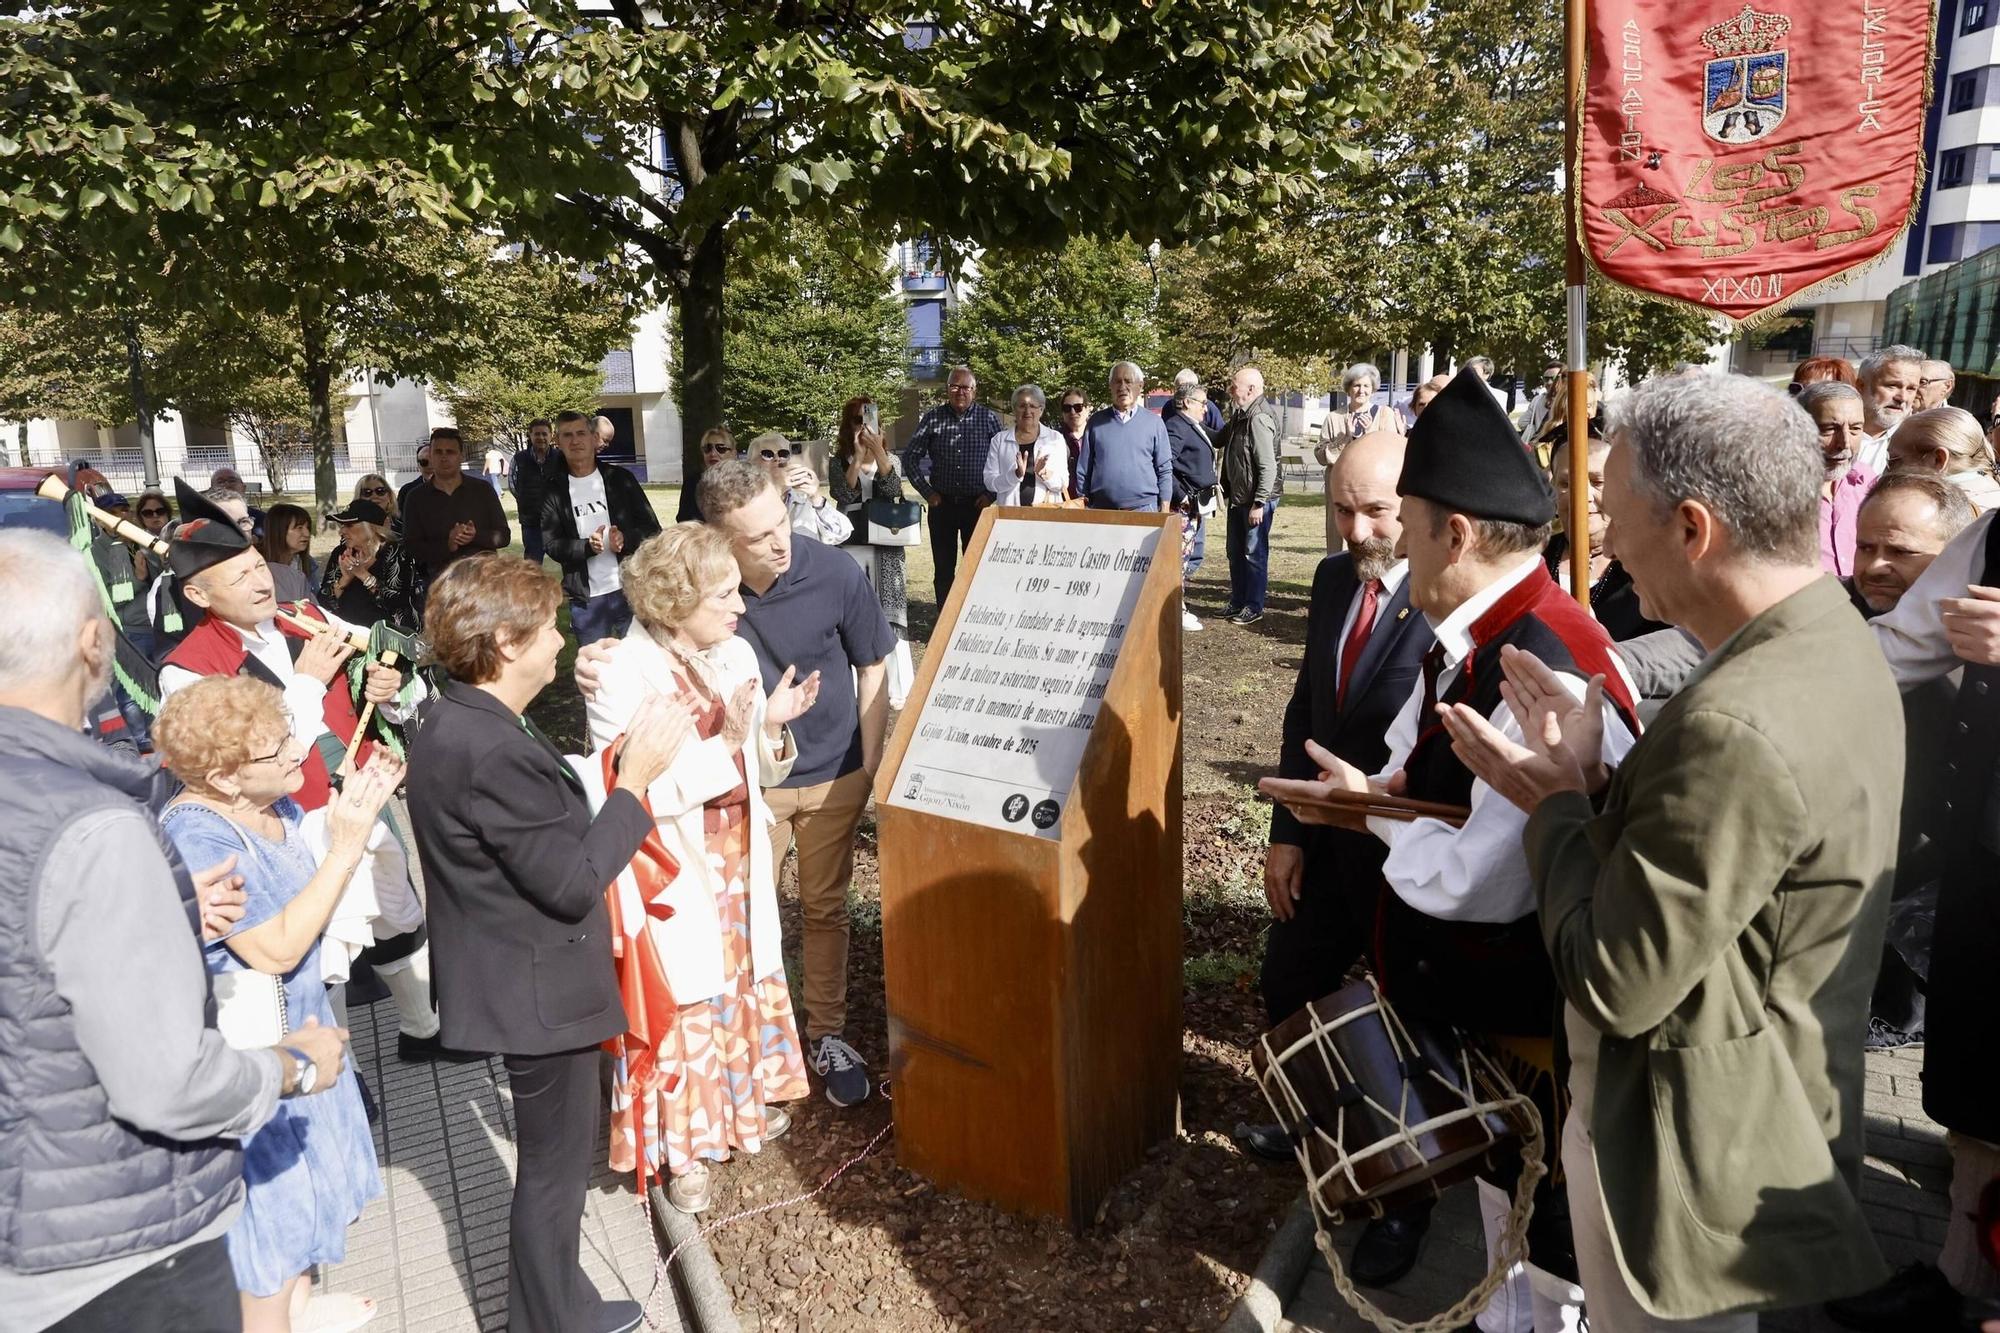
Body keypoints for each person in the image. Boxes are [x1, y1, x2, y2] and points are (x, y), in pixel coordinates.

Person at [1442, 371, 1901, 1330]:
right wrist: (1611, 784)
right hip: (1763, 1120)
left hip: (1687, 1156)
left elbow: (1615, 977)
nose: (1603, 541)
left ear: (1693, 528)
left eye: (1614, 511)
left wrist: (1556, 802)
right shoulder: (1829, 638)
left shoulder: (1738, 718)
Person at [1263, 366, 1640, 1333]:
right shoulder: (1477, 634)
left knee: (1554, 1259)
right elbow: (1416, 779)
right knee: (1506, 1228)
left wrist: (1369, 818)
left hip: (1544, 1032)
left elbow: (1474, 876)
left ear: (1454, 533)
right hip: (1497, 1027)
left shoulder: (1540, 658)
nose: (1383, 545)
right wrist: (1365, 800)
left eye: (1408, 520)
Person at [0, 531, 349, 1333]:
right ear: (94, 642)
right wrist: (291, 1069)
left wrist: (171, 901)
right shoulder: (93, 826)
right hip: (114, 1248)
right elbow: (169, 1084)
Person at [405, 555, 688, 1333]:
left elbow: (524, 831)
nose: (561, 642)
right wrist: (635, 782)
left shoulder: (454, 715)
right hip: (538, 994)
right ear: (504, 640)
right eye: (548, 629)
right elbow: (569, 883)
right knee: (554, 1172)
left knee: (553, 1166)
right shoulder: (489, 747)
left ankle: (558, 1304)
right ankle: (550, 1319)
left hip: (510, 975)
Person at [1242, 432, 1440, 1288]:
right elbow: (1307, 703)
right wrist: (1287, 832)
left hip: (1408, 854)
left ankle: (1410, 1200)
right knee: (1289, 984)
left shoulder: (1443, 596)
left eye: (1377, 511)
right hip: (1324, 846)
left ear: (1417, 506)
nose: (1357, 530)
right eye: (1342, 508)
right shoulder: (1330, 580)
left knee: (1414, 1033)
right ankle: (1316, 1126)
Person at [157, 481, 446, 1064]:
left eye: (258, 566)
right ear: (198, 592)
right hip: (288, 815)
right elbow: (238, 757)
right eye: (238, 578)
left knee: (396, 909)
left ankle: (424, 1030)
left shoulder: (304, 616)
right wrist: (308, 680)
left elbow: (387, 668)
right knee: (322, 935)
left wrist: (386, 685)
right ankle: (334, 1068)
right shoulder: (186, 672)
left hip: (360, 787)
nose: (262, 581)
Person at [583, 525, 820, 1214]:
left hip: (737, 857)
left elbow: (756, 761)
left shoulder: (732, 652)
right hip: (674, 869)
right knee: (683, 1003)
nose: (740, 605)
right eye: (722, 593)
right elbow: (636, 788)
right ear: (673, 599)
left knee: (736, 985)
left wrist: (770, 727)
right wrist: (723, 743)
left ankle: (737, 1114)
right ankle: (681, 1152)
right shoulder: (619, 674)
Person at [156, 678, 398, 1333]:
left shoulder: (274, 805)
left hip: (307, 1033)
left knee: (310, 1205)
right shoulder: (198, 836)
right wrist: (346, 846)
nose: (299, 751)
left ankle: (298, 1307)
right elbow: (277, 949)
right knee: (270, 1231)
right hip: (258, 1061)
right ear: (224, 777)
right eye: (278, 747)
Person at [657, 461, 893, 1108]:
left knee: (823, 910)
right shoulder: (697, 592)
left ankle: (828, 1034)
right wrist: (597, 661)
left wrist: (869, 769)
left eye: (782, 520)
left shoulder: (835, 571)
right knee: (743, 918)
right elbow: (649, 651)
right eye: (759, 537)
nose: (781, 542)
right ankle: (752, 1044)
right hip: (741, 786)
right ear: (719, 541)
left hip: (832, 778)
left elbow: (873, 666)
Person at [1835, 493, 2000, 1329]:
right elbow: (1897, 645)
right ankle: (1959, 1274)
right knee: (1981, 1086)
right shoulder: (1991, 537)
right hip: (1988, 861)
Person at [1844, 471, 1974, 1057]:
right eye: (1866, 546)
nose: (1874, 566)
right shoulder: (1835, 606)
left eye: (1901, 551)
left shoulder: (1971, 637)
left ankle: (1904, 1012)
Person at [542, 409, 662, 647]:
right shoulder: (552, 490)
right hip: (587, 601)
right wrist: (587, 546)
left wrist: (625, 539)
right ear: (557, 440)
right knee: (596, 671)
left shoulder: (620, 479)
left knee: (646, 663)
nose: (575, 441)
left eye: (581, 433)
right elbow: (552, 544)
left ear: (593, 437)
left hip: (629, 590)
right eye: (567, 435)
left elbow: (652, 528)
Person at [828, 399, 916, 709]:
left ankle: (898, 687)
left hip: (885, 547)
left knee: (890, 614)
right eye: (855, 420)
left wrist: (877, 452)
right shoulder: (838, 460)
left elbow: (892, 490)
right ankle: (856, 686)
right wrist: (856, 458)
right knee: (853, 614)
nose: (862, 426)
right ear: (846, 425)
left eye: (868, 419)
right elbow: (842, 493)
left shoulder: (890, 458)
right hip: (852, 545)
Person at [1544, 435, 1665, 641]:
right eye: (1566, 482)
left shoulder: (1649, 570)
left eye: (1597, 482)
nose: (1582, 495)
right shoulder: (1533, 559)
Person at [901, 365, 1005, 605]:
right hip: (943, 507)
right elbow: (910, 457)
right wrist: (927, 492)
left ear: (974, 391)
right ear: (947, 390)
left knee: (977, 568)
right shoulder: (932, 418)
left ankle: (971, 620)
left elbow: (1005, 461)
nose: (960, 391)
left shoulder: (989, 419)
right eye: (954, 386)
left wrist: (991, 494)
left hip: (977, 506)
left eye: (966, 387)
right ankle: (943, 625)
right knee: (944, 571)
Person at [1216, 364, 1281, 623]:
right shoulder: (1240, 415)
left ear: (1251, 389)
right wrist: (1190, 421)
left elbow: (1268, 466)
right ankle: (1238, 601)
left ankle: (1253, 606)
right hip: (1239, 499)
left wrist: (1259, 503)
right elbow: (1218, 438)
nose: (1231, 389)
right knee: (1235, 551)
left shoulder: (1258, 418)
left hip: (1256, 501)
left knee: (1254, 554)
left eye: (1235, 385)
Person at [401, 428, 510, 579]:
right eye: (438, 452)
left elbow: (504, 536)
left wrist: (475, 536)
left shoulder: (483, 490)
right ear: (431, 456)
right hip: (441, 583)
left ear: (461, 456)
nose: (444, 458)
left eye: (450, 452)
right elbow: (412, 547)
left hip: (484, 580)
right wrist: (448, 545)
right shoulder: (416, 497)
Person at [1798, 381, 1877, 577]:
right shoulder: (1770, 490)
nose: (1845, 443)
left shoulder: (1867, 481)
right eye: (1829, 429)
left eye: (1855, 429)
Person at [1076, 360, 1174, 512]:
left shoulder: (1155, 423)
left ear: (1140, 386)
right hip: (1102, 510)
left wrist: (1165, 507)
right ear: (1110, 386)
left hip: (1144, 509)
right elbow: (1083, 469)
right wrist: (1083, 503)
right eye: (1117, 382)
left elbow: (1164, 469)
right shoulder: (1096, 422)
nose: (1122, 387)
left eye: (1128, 381)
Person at [1161, 382, 1218, 631]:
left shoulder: (1191, 426)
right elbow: (1165, 464)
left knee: (1184, 558)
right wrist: (1181, 494)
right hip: (1181, 508)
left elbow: (1218, 436)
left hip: (1194, 506)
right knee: (1178, 559)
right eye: (1202, 403)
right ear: (1186, 402)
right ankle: (1175, 610)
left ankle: (1178, 606)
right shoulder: (1176, 426)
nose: (1206, 409)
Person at [318, 499, 421, 635]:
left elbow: (398, 602)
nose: (341, 531)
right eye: (342, 525)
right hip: (348, 637)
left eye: (349, 525)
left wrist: (363, 575)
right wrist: (344, 580)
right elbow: (323, 603)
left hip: (389, 640)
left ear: (370, 527)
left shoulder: (396, 552)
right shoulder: (341, 553)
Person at [1886, 404, 2000, 513]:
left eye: (1894, 460)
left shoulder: (1933, 514)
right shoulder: (1990, 494)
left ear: (1938, 460)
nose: (1886, 470)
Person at [747, 431, 853, 545]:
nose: (777, 459)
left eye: (783, 454)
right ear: (751, 464)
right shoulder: (745, 501)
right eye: (767, 454)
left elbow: (841, 534)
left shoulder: (805, 499)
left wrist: (816, 498)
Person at [983, 383, 1068, 508]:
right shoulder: (999, 440)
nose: (1027, 411)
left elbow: (1063, 483)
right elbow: (990, 482)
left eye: (1033, 406)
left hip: (1046, 516)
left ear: (1041, 410)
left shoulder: (1055, 439)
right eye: (1022, 406)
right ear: (1014, 409)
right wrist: (1015, 475)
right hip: (1010, 515)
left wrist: (1044, 473)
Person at [1856, 343, 1925, 474]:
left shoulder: (1919, 445)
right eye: (1892, 385)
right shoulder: (1826, 433)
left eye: (1911, 389)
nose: (1902, 397)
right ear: (1861, 386)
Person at [257, 503, 318, 606]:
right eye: (299, 528)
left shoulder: (307, 563)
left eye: (307, 527)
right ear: (279, 530)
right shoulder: (256, 563)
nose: (307, 534)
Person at [512, 418, 555, 563]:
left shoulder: (561, 458)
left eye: (544, 434)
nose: (541, 438)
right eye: (537, 434)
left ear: (551, 435)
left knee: (570, 559)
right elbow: (513, 485)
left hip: (557, 520)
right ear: (530, 435)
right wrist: (527, 500)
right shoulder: (519, 458)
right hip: (531, 521)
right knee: (532, 563)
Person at [678, 426, 736, 523]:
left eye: (720, 448)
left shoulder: (743, 482)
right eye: (707, 448)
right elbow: (684, 520)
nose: (713, 454)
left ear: (733, 454)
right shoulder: (692, 483)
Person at [1515, 360, 1565, 440]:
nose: (1549, 382)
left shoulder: (1570, 401)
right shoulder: (1537, 400)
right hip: (1543, 448)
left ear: (1563, 379)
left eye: (1553, 379)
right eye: (1546, 379)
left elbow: (1522, 423)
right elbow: (1521, 423)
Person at [1055, 388, 1091, 488]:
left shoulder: (1097, 437)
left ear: (1087, 409)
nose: (1072, 412)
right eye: (1067, 408)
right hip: (1064, 499)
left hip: (1094, 499)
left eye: (1078, 407)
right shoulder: (1054, 439)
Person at [1172, 366, 1226, 432]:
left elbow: (1221, 433)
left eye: (1186, 389)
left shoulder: (1209, 408)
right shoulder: (1169, 406)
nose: (1181, 392)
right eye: (1179, 388)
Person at [394, 442, 430, 515]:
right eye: (424, 462)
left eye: (434, 461)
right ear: (418, 465)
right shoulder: (406, 491)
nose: (430, 466)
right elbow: (400, 520)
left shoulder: (457, 489)